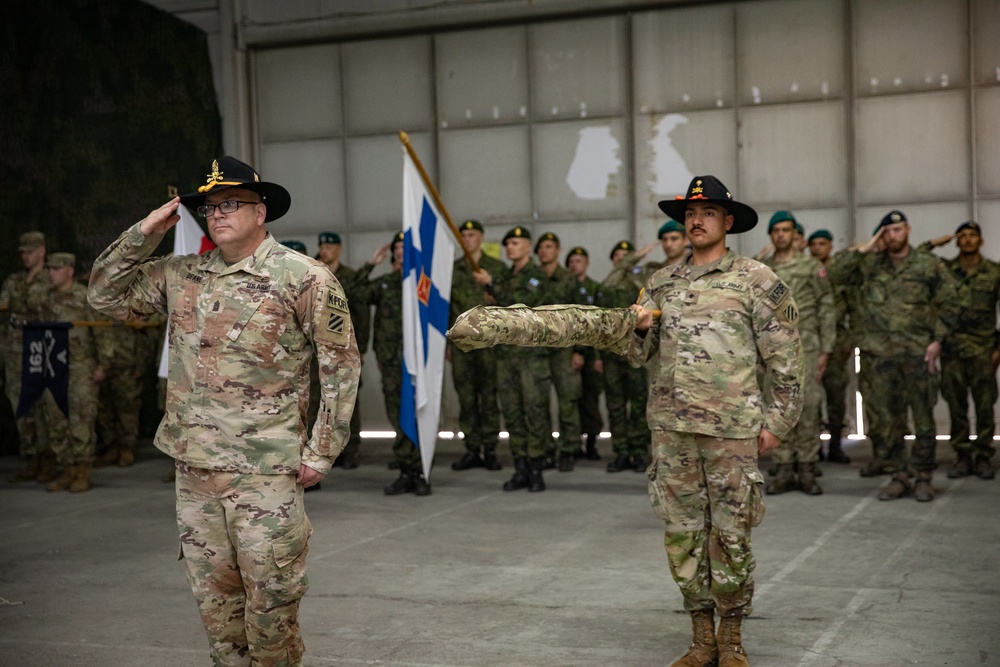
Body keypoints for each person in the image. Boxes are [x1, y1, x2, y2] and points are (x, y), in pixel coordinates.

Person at [87, 155, 361, 665]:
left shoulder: (303, 278)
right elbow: (103, 296)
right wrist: (145, 231)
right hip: (195, 471)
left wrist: (322, 452)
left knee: (272, 602)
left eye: (231, 203)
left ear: (262, 213)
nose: (218, 214)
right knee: (216, 608)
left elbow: (341, 366)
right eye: (210, 206)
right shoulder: (181, 273)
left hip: (265, 473)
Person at [630, 175, 803, 667]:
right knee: (683, 534)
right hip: (672, 432)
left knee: (731, 534)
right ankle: (700, 637)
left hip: (732, 432)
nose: (696, 220)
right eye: (689, 213)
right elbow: (635, 352)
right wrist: (639, 328)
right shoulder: (661, 283)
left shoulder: (757, 280)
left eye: (707, 212)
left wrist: (777, 423)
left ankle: (731, 639)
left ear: (728, 221)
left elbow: (786, 358)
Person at [828, 210, 958, 502]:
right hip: (880, 357)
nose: (893, 236)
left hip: (917, 353)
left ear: (908, 230)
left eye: (898, 230)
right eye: (887, 231)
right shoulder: (870, 264)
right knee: (889, 421)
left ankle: (923, 476)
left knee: (923, 419)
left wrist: (937, 340)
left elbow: (950, 302)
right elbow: (833, 274)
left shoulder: (927, 265)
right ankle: (899, 474)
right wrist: (868, 246)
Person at [472, 226, 551, 492]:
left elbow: (521, 308)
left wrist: (491, 286)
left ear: (528, 247)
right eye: (507, 244)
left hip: (530, 357)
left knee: (534, 412)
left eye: (516, 243)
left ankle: (537, 467)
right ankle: (521, 468)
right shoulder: (505, 275)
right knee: (513, 413)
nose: (510, 248)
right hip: (506, 357)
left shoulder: (536, 275)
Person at [762, 212, 836, 496]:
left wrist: (826, 349)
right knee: (776, 408)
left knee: (807, 408)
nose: (780, 235)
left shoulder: (811, 267)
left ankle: (806, 468)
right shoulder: (762, 271)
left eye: (786, 230)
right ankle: (782, 468)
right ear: (770, 235)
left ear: (795, 234)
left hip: (807, 347)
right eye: (776, 230)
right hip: (773, 350)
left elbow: (826, 306)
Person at [921, 221, 1000, 480]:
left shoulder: (994, 272)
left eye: (972, 236)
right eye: (962, 236)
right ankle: (962, 455)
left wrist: (998, 350)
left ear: (981, 241)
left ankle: (983, 455)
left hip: (982, 349)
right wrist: (934, 243)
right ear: (956, 241)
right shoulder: (945, 270)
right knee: (956, 406)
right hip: (952, 349)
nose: (967, 240)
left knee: (985, 406)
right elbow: (917, 258)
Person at [28, 253, 111, 493]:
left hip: (81, 369)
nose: (51, 273)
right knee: (56, 421)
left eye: (56, 269)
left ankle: (83, 470)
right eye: (50, 269)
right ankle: (67, 470)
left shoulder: (85, 297)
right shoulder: (45, 298)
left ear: (70, 271)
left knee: (81, 420)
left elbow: (103, 332)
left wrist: (103, 365)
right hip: (53, 369)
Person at [360, 233, 431, 495]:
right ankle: (407, 470)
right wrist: (370, 264)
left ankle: (422, 471)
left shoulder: (423, 284)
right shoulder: (387, 284)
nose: (401, 251)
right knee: (398, 416)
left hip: (419, 363)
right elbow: (353, 293)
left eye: (405, 247)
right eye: (397, 247)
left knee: (420, 413)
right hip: (391, 362)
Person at [449, 220, 506, 472]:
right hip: (463, 346)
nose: (467, 239)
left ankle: (490, 448)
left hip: (490, 345)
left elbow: (510, 303)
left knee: (489, 397)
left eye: (472, 235)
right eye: (463, 236)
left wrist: (490, 282)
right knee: (467, 397)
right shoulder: (453, 270)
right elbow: (446, 309)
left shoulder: (496, 268)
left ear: (481, 237)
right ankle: (472, 448)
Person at [312, 230, 370, 469]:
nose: (325, 250)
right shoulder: (314, 275)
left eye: (330, 247)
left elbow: (362, 316)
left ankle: (351, 448)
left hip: (345, 349)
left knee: (347, 400)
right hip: (318, 349)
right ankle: (326, 449)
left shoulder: (350, 277)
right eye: (322, 246)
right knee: (320, 401)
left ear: (339, 249)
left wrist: (362, 349)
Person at [2, 232, 56, 484]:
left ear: (42, 251)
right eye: (23, 252)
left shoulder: (50, 279)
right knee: (21, 406)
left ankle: (49, 458)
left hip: (41, 351)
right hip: (14, 352)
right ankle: (31, 457)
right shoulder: (13, 282)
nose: (26, 256)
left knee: (45, 405)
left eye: (30, 251)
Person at [596, 241, 652, 473]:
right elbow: (598, 324)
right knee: (615, 405)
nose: (621, 259)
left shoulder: (640, 284)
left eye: (625, 255)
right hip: (611, 355)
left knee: (638, 404)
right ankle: (621, 451)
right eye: (617, 255)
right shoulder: (607, 287)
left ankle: (639, 451)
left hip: (635, 353)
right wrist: (597, 356)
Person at [535, 232, 583, 472]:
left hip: (564, 350)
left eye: (549, 247)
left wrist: (579, 351)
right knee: (539, 403)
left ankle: (568, 449)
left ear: (557, 250)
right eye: (541, 247)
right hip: (537, 351)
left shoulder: (569, 280)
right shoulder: (531, 279)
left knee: (567, 402)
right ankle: (545, 449)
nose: (544, 251)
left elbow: (581, 317)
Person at [807, 229, 852, 464]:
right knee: (810, 401)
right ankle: (813, 448)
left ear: (830, 246)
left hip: (836, 344)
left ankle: (835, 446)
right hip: (810, 343)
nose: (817, 248)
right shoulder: (806, 272)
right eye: (813, 244)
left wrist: (850, 342)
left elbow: (854, 310)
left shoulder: (840, 274)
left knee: (836, 399)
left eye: (822, 244)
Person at [565, 246, 604, 460]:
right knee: (571, 398)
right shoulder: (563, 287)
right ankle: (572, 443)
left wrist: (597, 357)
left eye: (578, 261)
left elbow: (600, 325)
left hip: (590, 351)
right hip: (568, 349)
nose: (574, 265)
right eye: (571, 261)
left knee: (591, 397)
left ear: (587, 263)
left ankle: (591, 442)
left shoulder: (595, 288)